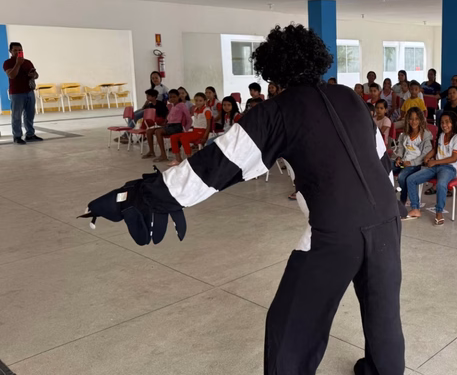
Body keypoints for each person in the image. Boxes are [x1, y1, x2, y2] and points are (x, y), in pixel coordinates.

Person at [83, 24, 406, 375]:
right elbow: (381, 159)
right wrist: (387, 208)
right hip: (388, 217)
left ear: (273, 71)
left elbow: (217, 165)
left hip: (335, 231)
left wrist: (147, 195)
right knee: (383, 309)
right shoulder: (348, 97)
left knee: (293, 322)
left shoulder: (277, 111)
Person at [405, 112, 457, 225]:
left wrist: (435, 162)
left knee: (441, 184)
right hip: (436, 166)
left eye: (447, 122)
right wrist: (428, 156)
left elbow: (453, 158)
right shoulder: (442, 135)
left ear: (453, 123)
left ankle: (439, 212)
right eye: (442, 122)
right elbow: (436, 149)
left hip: (449, 168)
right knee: (411, 179)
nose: (444, 125)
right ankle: (415, 209)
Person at [393, 107, 433, 207]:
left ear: (420, 120)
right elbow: (401, 148)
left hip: (416, 164)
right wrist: (398, 158)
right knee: (385, 167)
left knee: (402, 176)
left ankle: (403, 199)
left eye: (416, 119)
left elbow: (425, 154)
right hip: (404, 161)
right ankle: (387, 197)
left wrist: (411, 163)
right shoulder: (404, 134)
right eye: (411, 119)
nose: (413, 121)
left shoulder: (425, 134)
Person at [4, 41, 42, 144]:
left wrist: (33, 75)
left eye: (20, 50)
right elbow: (11, 75)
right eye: (15, 50)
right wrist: (17, 64)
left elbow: (36, 75)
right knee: (16, 115)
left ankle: (30, 134)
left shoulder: (28, 62)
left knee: (29, 114)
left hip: (29, 91)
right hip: (16, 93)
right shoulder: (8, 63)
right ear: (10, 51)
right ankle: (17, 136)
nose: (18, 52)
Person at [142, 89, 191, 162]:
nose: (172, 99)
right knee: (149, 131)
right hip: (169, 126)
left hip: (177, 127)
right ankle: (151, 152)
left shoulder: (181, 105)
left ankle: (163, 155)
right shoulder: (172, 106)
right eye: (170, 97)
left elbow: (189, 119)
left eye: (174, 97)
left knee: (158, 132)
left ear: (178, 97)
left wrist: (185, 130)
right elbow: (169, 118)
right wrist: (165, 122)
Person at [168, 92, 212, 167]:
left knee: (184, 138)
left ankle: (190, 160)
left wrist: (205, 137)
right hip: (195, 131)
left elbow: (208, 125)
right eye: (196, 100)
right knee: (173, 137)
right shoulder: (195, 109)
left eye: (200, 101)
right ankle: (178, 159)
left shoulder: (207, 111)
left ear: (205, 101)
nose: (198, 102)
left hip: (201, 132)